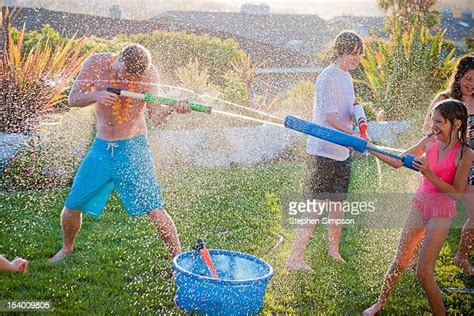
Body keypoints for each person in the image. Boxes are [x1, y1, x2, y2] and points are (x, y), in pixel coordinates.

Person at [49, 44, 192, 262]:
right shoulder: (96, 63)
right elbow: (73, 98)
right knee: (72, 205)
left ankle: (178, 261)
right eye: (122, 72)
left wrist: (174, 107)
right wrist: (97, 95)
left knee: (155, 209)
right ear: (119, 58)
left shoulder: (149, 73)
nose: (125, 79)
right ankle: (66, 249)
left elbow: (155, 114)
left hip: (134, 149)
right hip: (101, 149)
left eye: (131, 76)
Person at [364, 100, 472, 316]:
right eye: (433, 121)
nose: (434, 127)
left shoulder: (465, 154)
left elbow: (457, 192)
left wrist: (428, 172)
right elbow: (398, 161)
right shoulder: (430, 140)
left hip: (442, 211)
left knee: (423, 272)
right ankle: (379, 304)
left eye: (439, 122)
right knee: (400, 260)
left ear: (457, 123)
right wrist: (369, 148)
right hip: (420, 204)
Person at [285, 31, 364, 270]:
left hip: (341, 152)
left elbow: (349, 108)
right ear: (340, 51)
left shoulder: (346, 77)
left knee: (338, 206)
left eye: (359, 54)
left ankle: (334, 251)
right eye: (352, 53)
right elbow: (329, 118)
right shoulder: (328, 77)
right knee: (315, 207)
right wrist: (353, 135)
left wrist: (360, 119)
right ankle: (295, 258)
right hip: (323, 153)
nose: (356, 58)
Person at [422, 55, 474, 276]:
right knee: (429, 213)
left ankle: (461, 256)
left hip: (469, 166)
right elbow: (428, 131)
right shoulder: (444, 99)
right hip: (443, 165)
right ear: (458, 76)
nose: (471, 84)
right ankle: (416, 253)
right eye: (468, 78)